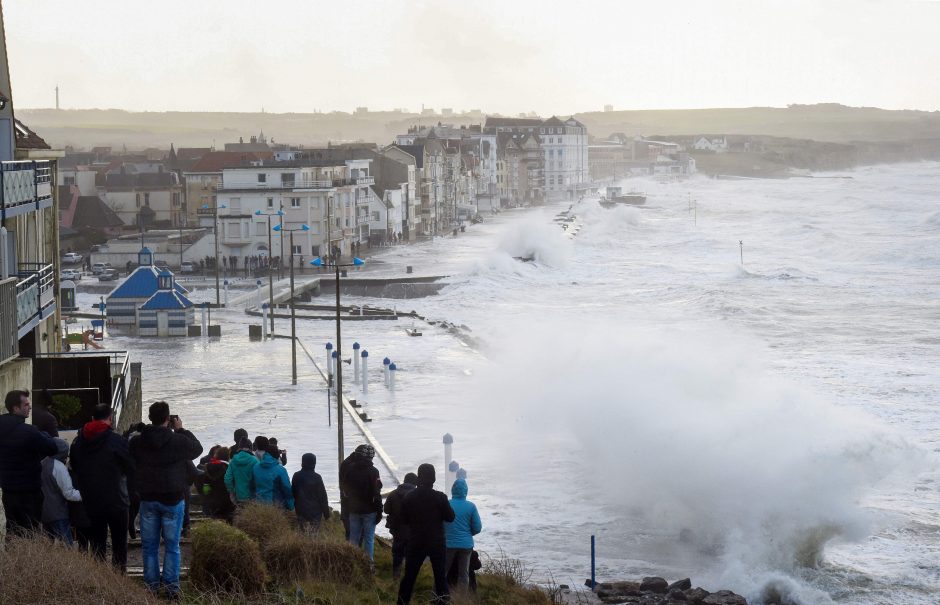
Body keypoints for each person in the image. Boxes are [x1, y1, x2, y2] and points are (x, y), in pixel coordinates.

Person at [129, 402, 203, 600]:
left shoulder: (138, 442)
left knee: (149, 546)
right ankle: (171, 588)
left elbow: (128, 451)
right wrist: (181, 430)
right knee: (172, 546)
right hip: (173, 498)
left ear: (150, 417)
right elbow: (197, 449)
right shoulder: (177, 440)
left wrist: (143, 429)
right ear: (168, 418)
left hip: (147, 498)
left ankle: (151, 586)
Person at [70, 404, 134, 571]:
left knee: (97, 544)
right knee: (119, 544)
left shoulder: (78, 443)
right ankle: (119, 580)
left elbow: (75, 468)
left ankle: (100, 580)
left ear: (92, 419)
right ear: (110, 418)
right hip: (116, 500)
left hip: (91, 501)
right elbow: (131, 466)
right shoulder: (117, 441)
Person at [0, 389, 58, 534]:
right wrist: (43, 434)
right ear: (15, 408)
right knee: (31, 533)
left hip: (8, 491)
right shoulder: (29, 432)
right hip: (29, 493)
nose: (30, 407)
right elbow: (52, 448)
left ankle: (14, 556)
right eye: (26, 405)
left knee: (13, 532)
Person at [396, 464, 455, 604]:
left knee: (409, 576)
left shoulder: (409, 497)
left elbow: (403, 519)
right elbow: (450, 517)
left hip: (415, 541)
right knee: (440, 577)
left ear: (419, 477)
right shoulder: (440, 497)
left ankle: (402, 603)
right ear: (433, 478)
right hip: (436, 541)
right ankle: (442, 602)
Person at [340, 444, 382, 561]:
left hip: (353, 509)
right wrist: (379, 511)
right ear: (371, 457)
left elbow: (344, 490)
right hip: (369, 510)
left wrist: (347, 508)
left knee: (354, 538)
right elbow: (377, 494)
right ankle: (369, 564)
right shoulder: (374, 472)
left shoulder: (349, 470)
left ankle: (352, 562)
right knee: (369, 539)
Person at [40, 437, 82, 544]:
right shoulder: (59, 467)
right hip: (59, 514)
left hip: (43, 514)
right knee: (67, 548)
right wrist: (86, 494)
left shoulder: (42, 463)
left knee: (47, 549)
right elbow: (69, 493)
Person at [443, 478, 482, 593]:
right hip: (466, 545)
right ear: (466, 490)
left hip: (448, 544)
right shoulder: (471, 506)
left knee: (443, 572)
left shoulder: (447, 504)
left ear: (453, 490)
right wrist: (468, 534)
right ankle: (462, 598)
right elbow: (477, 528)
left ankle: (437, 596)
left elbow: (440, 523)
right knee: (464, 574)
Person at [384, 472, 418, 579]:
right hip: (413, 531)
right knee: (411, 555)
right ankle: (409, 577)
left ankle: (396, 576)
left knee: (397, 553)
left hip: (397, 529)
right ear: (415, 483)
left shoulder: (393, 494)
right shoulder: (417, 495)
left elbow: (386, 510)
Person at [291, 453, 329, 534]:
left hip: (300, 509)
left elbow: (293, 492)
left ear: (302, 463)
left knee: (303, 532)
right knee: (313, 533)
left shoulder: (296, 475)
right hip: (315, 511)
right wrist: (326, 513)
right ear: (314, 464)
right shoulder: (317, 477)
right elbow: (322, 496)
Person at [195, 447, 234, 521]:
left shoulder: (208, 466)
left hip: (212, 500)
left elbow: (204, 483)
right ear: (227, 456)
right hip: (226, 499)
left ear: (217, 455)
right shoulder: (229, 467)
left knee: (214, 518)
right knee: (227, 518)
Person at [252, 444, 294, 510]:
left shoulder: (255, 467)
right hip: (275, 506)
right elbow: (287, 490)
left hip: (258, 504)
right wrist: (291, 507)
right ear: (277, 455)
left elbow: (252, 485)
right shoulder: (281, 470)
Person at [224, 437, 258, 505]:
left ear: (239, 447)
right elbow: (259, 478)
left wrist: (232, 492)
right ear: (250, 448)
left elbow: (227, 479)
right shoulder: (255, 460)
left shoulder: (233, 461)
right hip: (253, 497)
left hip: (238, 496)